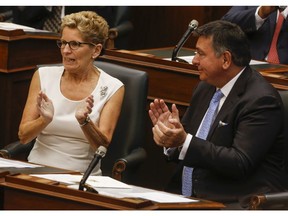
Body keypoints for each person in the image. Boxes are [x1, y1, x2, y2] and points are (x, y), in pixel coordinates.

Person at [148, 20, 288, 209]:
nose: (194, 60)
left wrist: (183, 141)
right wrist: (170, 137)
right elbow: (186, 138)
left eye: (200, 54)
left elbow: (240, 162)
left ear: (225, 60)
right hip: (185, 195)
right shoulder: (205, 87)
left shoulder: (261, 100)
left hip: (236, 200)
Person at [18, 11, 125, 176]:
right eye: (62, 43)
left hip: (82, 177)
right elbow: (23, 136)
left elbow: (102, 147)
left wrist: (85, 121)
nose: (65, 51)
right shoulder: (43, 76)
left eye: (74, 44)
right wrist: (44, 120)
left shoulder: (112, 87)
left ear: (95, 50)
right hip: (37, 171)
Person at [222, 6, 288, 64]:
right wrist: (260, 13)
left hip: (284, 72)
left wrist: (285, 11)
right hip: (249, 68)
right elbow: (224, 25)